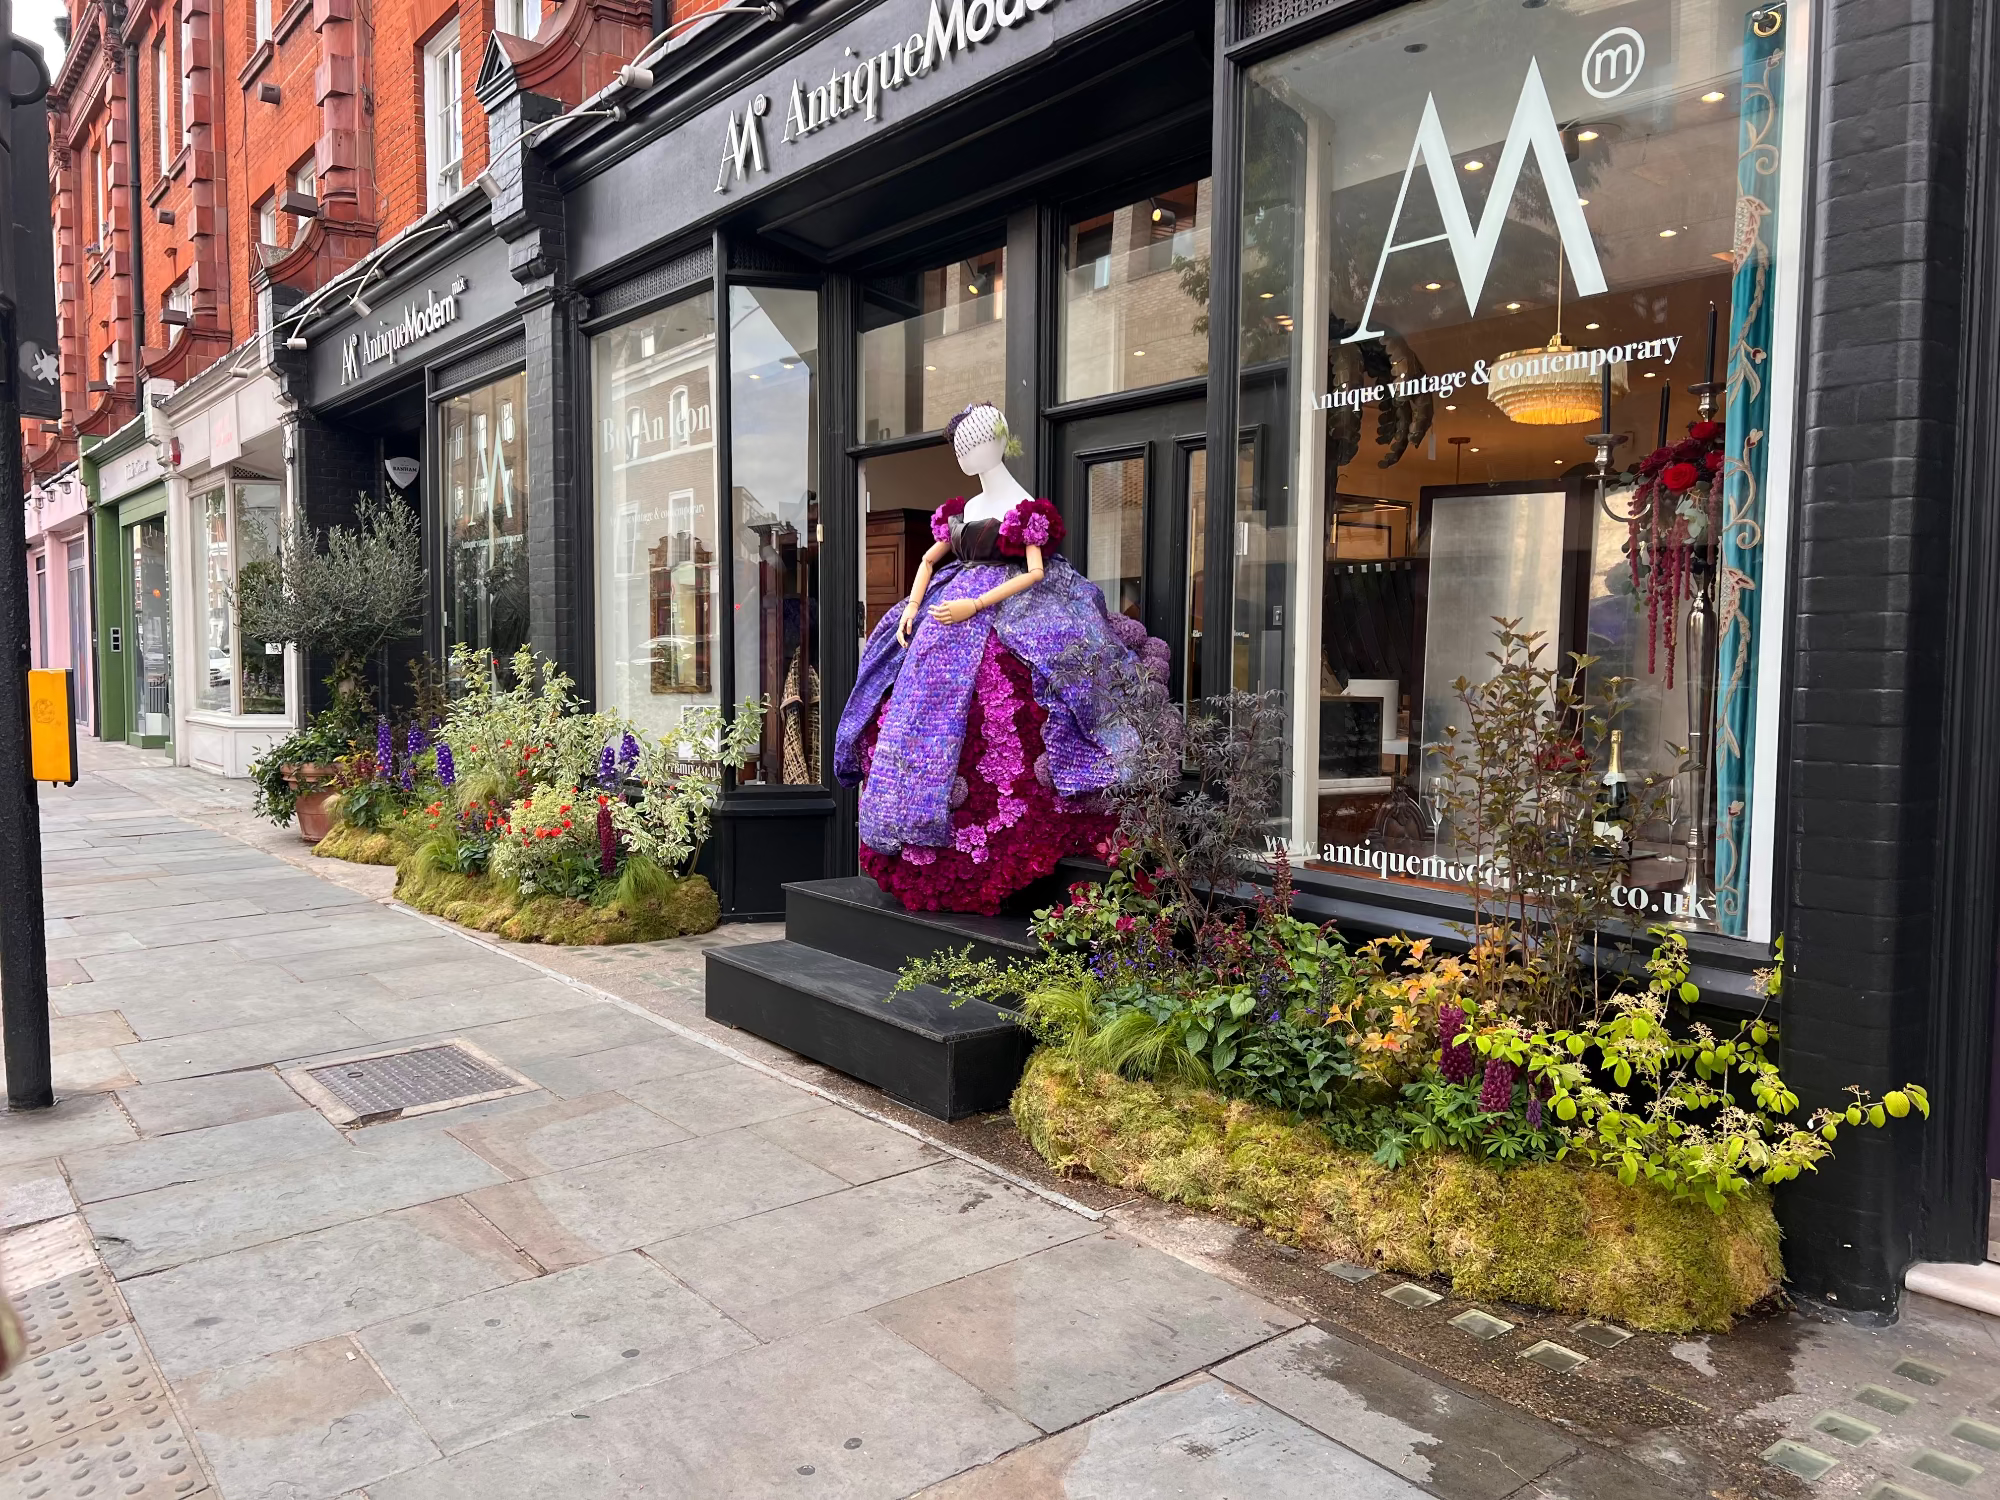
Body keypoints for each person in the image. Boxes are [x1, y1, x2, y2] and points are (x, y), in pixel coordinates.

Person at [835, 402, 1168, 914]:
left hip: (1010, 607)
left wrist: (975, 604)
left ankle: (1022, 835)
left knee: (1053, 686)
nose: (964, 458)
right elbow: (929, 559)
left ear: (994, 443)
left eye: (969, 447)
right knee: (909, 702)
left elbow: (1034, 574)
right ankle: (920, 829)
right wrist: (912, 607)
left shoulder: (1022, 506)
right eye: (959, 449)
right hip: (945, 613)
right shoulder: (964, 510)